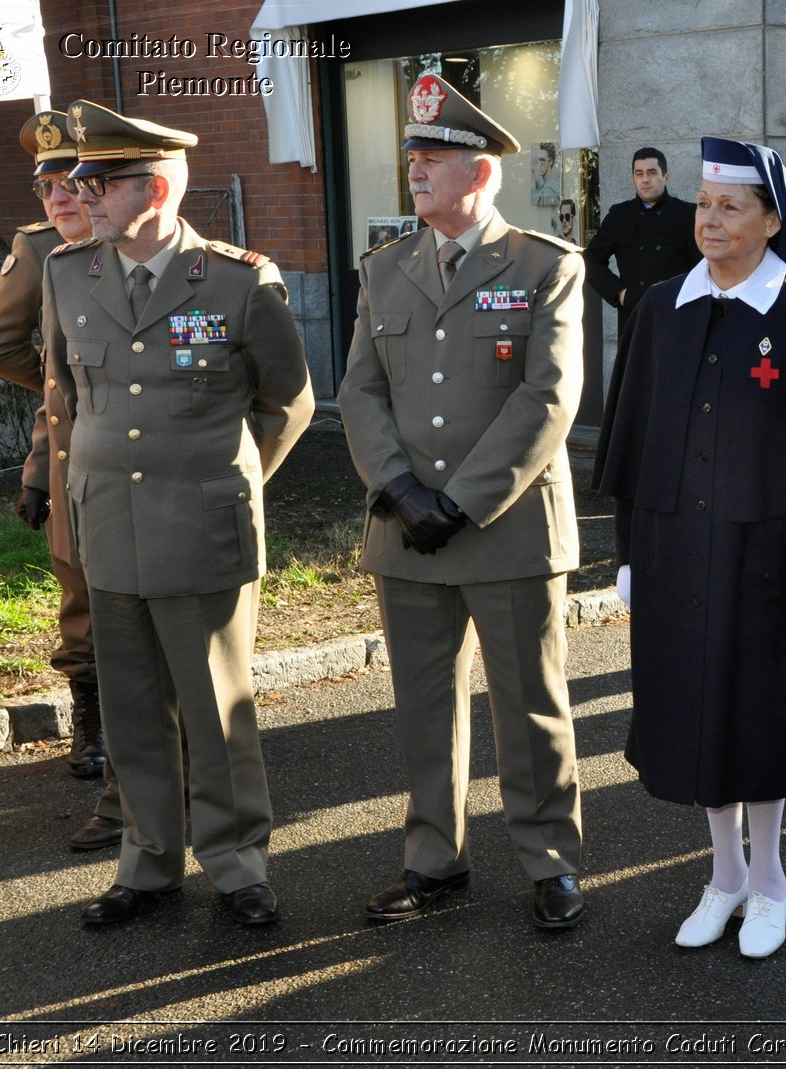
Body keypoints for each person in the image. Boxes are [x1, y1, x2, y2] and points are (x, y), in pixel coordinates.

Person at [594, 136, 786, 959]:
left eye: (731, 207)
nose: (710, 220)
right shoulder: (658, 308)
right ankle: (722, 877)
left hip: (769, 565)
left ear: (770, 218)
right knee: (696, 719)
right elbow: (634, 444)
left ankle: (771, 884)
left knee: (758, 723)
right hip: (677, 552)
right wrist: (627, 554)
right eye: (705, 206)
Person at [42, 101, 314, 926]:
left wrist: (224, 481)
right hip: (108, 525)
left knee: (215, 705)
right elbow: (65, 389)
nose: (78, 192)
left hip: (201, 524)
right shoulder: (67, 272)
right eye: (78, 179)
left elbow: (288, 401)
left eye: (99, 180)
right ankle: (148, 861)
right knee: (130, 708)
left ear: (153, 189)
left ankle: (237, 864)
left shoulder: (236, 280)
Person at [339, 75, 587, 930]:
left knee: (530, 705)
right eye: (412, 153)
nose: (416, 166)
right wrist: (401, 488)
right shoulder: (386, 267)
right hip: (408, 527)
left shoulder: (543, 265)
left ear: (480, 174)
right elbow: (360, 392)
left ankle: (550, 861)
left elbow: (548, 398)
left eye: (434, 155)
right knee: (423, 707)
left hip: (507, 524)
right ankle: (432, 862)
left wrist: (461, 500)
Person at [0, 111, 124, 853]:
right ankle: (92, 724)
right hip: (78, 455)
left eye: (72, 181)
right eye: (45, 185)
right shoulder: (43, 254)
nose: (59, 198)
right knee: (83, 593)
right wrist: (48, 441)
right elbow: (11, 354)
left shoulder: (140, 248)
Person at [582, 147, 699, 325]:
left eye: (652, 173)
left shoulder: (688, 214)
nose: (645, 179)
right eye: (639, 174)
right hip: (634, 314)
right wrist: (620, 294)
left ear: (666, 177)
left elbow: (702, 266)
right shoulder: (619, 216)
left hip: (678, 314)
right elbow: (591, 259)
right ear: (633, 179)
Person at [531, 141, 560, 207]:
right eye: (538, 161)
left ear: (550, 161)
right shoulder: (550, 186)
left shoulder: (548, 191)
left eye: (542, 160)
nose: (539, 165)